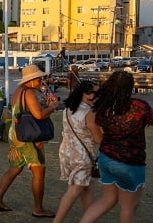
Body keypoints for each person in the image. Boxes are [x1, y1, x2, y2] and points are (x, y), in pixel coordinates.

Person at [79, 71, 153, 223]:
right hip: (130, 162)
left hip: (106, 158)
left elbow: (99, 124)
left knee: (106, 200)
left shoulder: (103, 108)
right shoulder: (139, 106)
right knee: (128, 208)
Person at [0, 64, 59, 218]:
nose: (41, 81)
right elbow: (38, 115)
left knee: (14, 168)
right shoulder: (28, 92)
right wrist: (53, 107)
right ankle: (38, 208)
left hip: (16, 134)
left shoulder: (18, 91)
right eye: (39, 79)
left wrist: (47, 105)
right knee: (39, 171)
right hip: (28, 137)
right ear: (31, 79)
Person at [53, 81, 102, 222]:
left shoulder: (68, 109)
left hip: (67, 151)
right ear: (85, 94)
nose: (97, 96)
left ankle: (89, 218)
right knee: (74, 189)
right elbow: (98, 139)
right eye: (95, 93)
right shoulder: (89, 113)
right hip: (82, 156)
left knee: (86, 186)